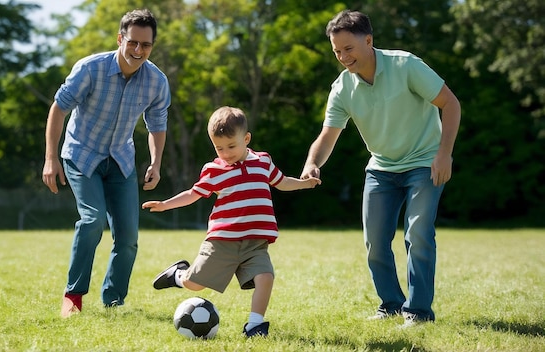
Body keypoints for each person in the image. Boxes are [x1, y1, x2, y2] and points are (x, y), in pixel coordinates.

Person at [301, 10, 461, 327]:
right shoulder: (342, 88)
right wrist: (312, 163)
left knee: (418, 233)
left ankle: (418, 312)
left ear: (369, 40)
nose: (343, 57)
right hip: (382, 169)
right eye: (337, 51)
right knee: (375, 243)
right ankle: (391, 304)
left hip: (424, 162)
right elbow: (327, 135)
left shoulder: (406, 65)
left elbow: (450, 103)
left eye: (348, 48)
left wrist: (445, 154)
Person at [142, 106, 321, 337]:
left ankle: (254, 326)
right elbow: (193, 194)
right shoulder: (215, 170)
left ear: (246, 139)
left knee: (266, 277)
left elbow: (282, 182)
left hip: (255, 242)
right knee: (194, 284)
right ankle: (178, 275)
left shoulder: (263, 161)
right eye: (219, 148)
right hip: (222, 241)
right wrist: (166, 204)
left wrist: (303, 183)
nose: (225, 153)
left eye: (231, 146)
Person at [42, 8, 171, 318]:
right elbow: (58, 110)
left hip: (120, 160)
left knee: (128, 237)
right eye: (133, 43)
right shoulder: (90, 69)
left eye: (146, 45)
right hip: (81, 154)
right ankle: (73, 297)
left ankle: (113, 301)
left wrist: (155, 162)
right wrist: (50, 158)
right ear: (120, 38)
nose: (138, 51)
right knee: (92, 220)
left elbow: (157, 124)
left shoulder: (156, 81)